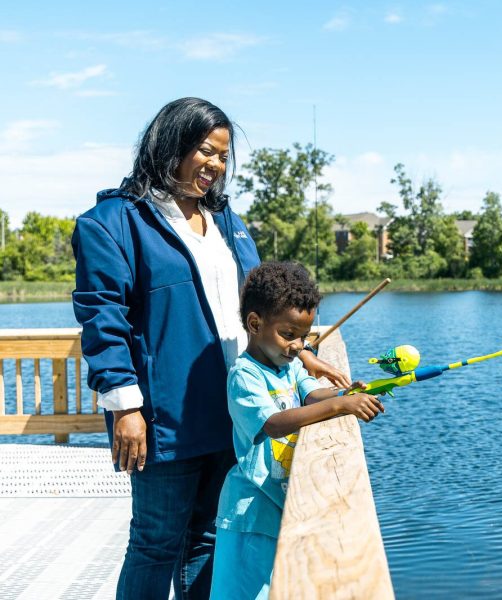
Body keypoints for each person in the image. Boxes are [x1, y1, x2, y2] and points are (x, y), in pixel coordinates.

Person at [71, 97, 349, 600]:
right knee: (156, 545)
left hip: (231, 412)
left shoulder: (228, 222)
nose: (215, 166)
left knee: (207, 538)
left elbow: (268, 305)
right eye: (205, 150)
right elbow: (101, 318)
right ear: (171, 144)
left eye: (223, 156)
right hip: (164, 417)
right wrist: (125, 406)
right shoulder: (112, 222)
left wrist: (302, 351)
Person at [209, 261, 384, 600]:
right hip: (249, 510)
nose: (296, 346)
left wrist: (346, 394)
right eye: (288, 335)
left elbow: (311, 392)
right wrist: (338, 406)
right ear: (255, 323)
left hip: (276, 503)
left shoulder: (285, 366)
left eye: (303, 337)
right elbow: (272, 424)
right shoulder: (245, 375)